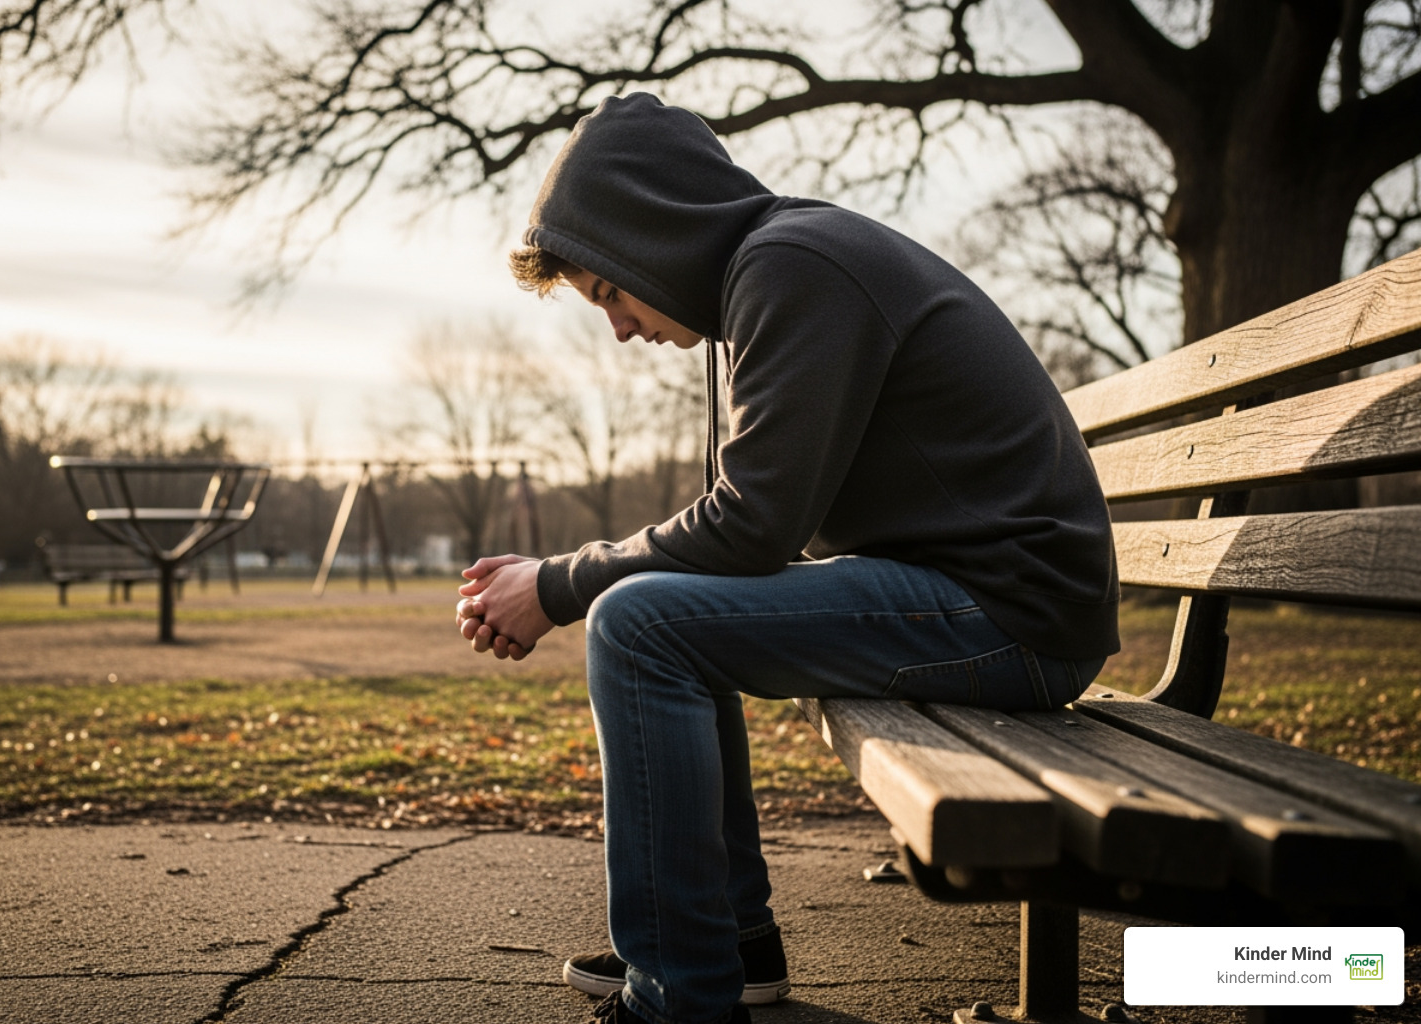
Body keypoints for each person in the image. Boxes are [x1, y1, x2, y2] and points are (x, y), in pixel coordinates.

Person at [453, 93, 1119, 1024]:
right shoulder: (768, 273)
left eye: (609, 292)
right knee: (663, 609)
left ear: (654, 230)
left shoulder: (791, 266)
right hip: (996, 597)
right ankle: (726, 944)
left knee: (640, 625)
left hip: (1010, 615)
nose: (618, 327)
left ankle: (679, 998)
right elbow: (744, 530)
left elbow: (749, 528)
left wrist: (559, 585)